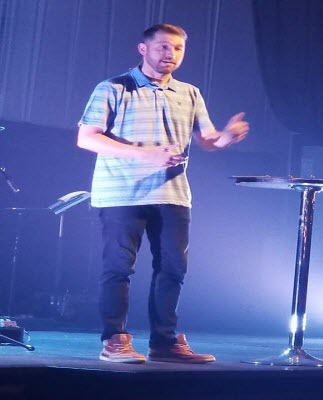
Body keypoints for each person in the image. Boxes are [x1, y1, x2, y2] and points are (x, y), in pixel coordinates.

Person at [77, 23, 249, 364]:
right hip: (121, 194)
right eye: (163, 47)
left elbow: (207, 139)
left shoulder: (190, 93)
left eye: (177, 48)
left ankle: (164, 342)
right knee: (118, 268)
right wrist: (147, 155)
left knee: (173, 269)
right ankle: (114, 339)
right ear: (143, 49)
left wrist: (226, 137)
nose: (171, 54)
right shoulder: (113, 87)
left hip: (172, 194)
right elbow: (87, 137)